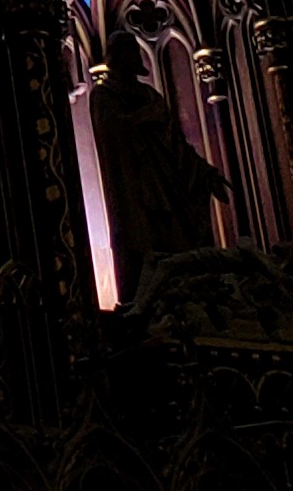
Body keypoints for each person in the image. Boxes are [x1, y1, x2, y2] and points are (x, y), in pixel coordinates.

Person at [87, 34, 228, 302]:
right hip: (135, 188)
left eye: (133, 52)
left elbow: (177, 144)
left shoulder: (151, 95)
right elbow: (112, 136)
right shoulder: (104, 95)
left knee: (180, 239)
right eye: (125, 52)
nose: (131, 58)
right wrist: (144, 118)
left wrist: (205, 172)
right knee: (146, 245)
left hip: (168, 183)